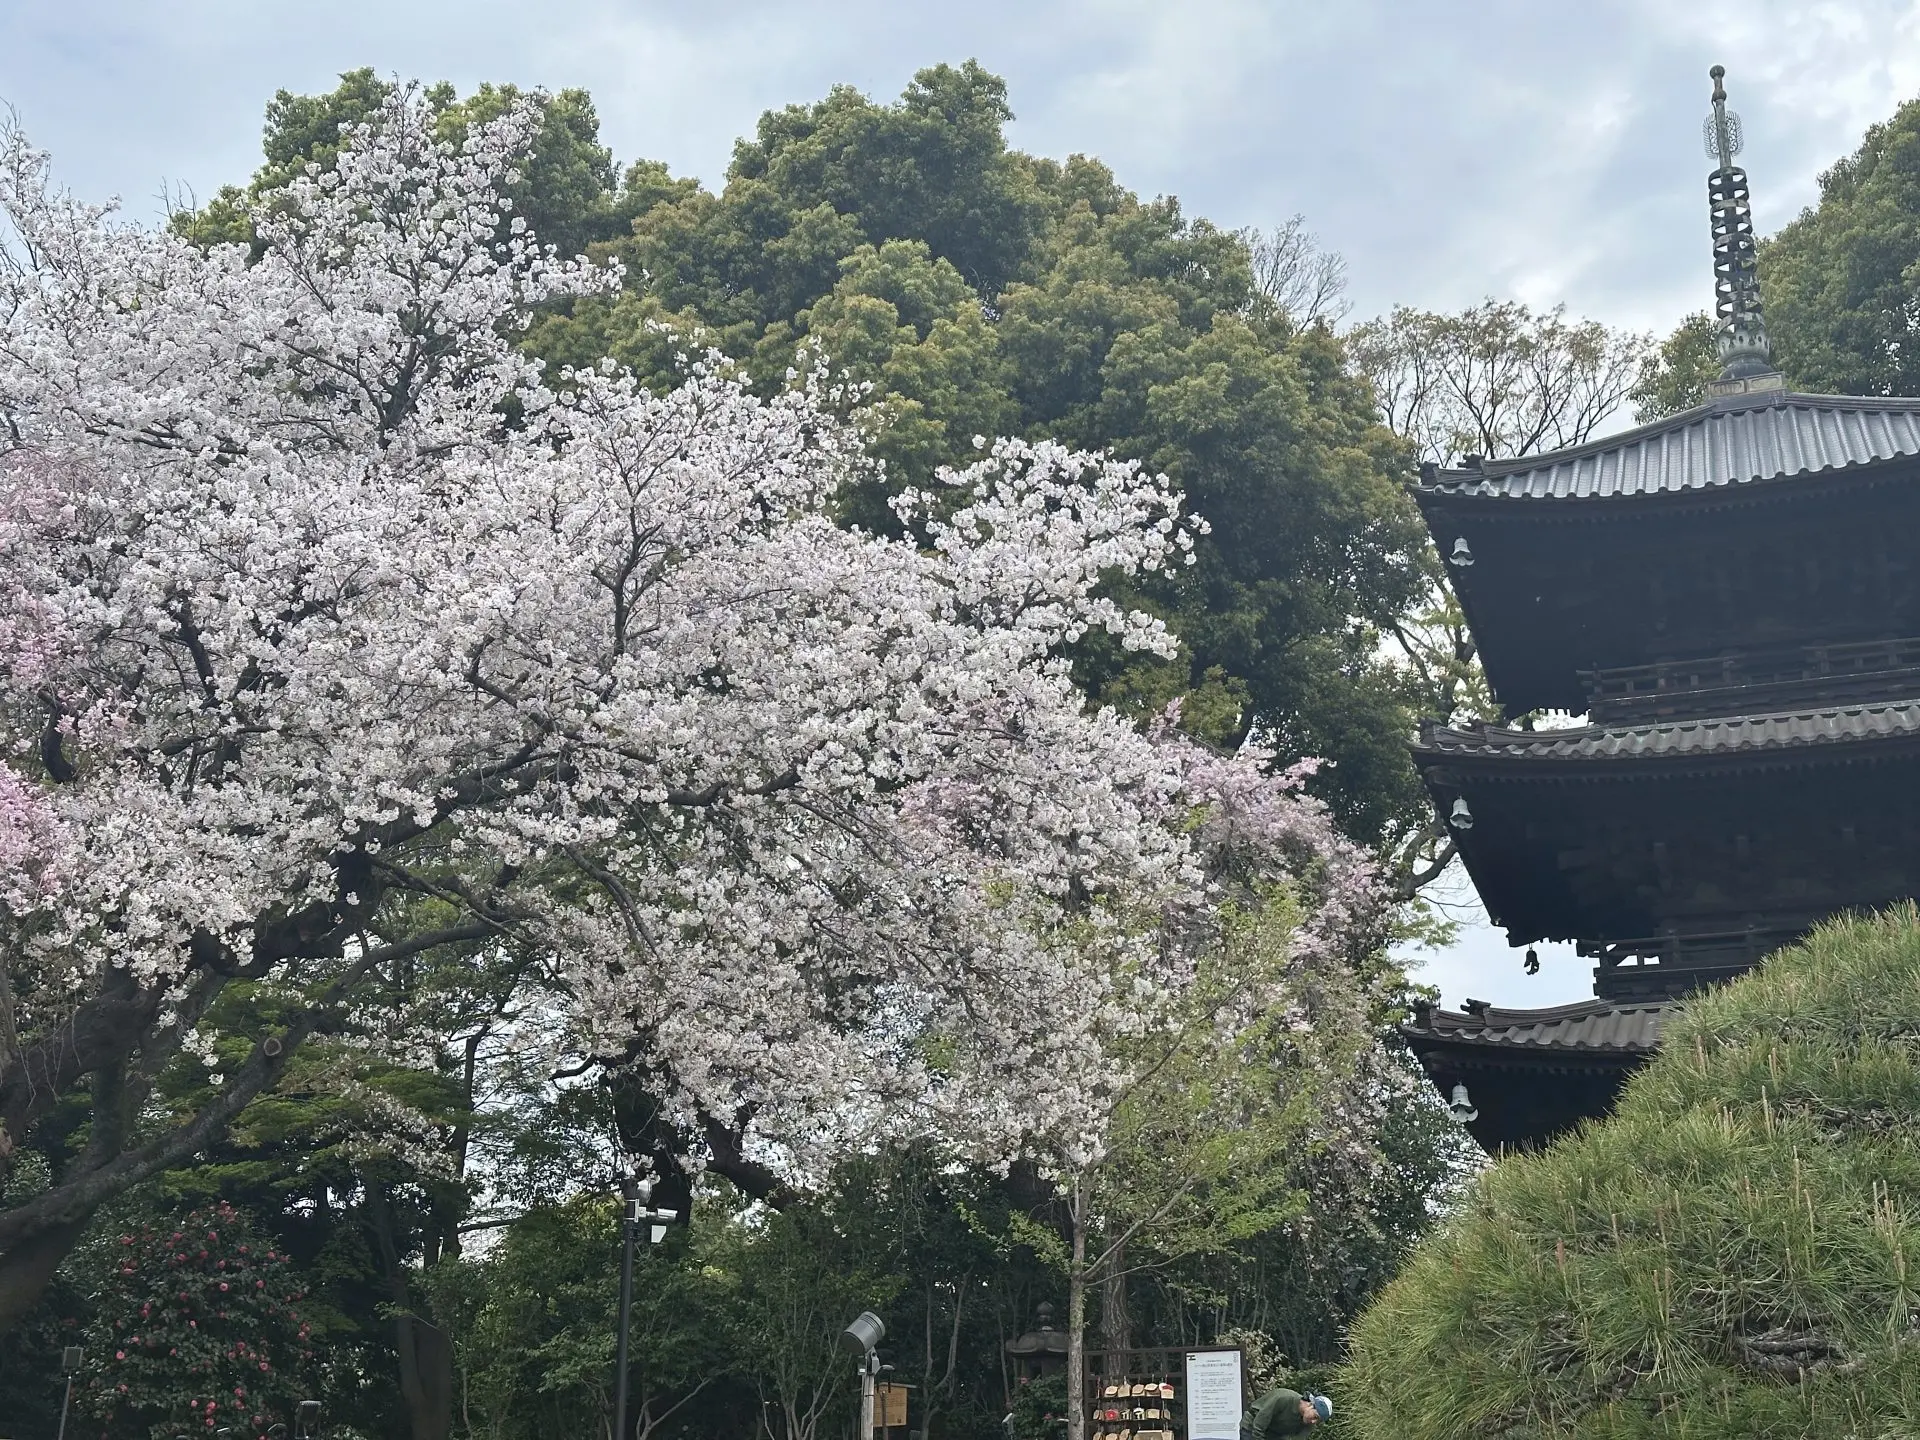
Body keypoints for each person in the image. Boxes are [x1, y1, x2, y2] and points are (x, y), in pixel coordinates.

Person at [1240, 1386, 1333, 1436]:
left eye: (1318, 1421)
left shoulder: (1310, 1423)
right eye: (1315, 1417)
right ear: (1310, 1405)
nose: (1313, 1421)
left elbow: (1298, 1438)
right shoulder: (1284, 1398)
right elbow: (1259, 1425)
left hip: (1274, 1434)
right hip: (1252, 1426)